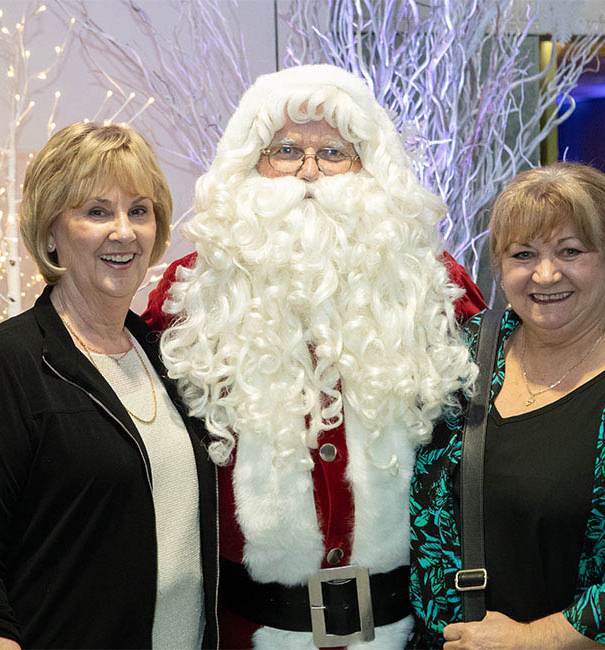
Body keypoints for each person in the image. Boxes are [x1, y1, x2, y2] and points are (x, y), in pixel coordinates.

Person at [143, 64, 486, 649]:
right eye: (284, 150)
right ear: (249, 164)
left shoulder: (434, 287)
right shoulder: (190, 293)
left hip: (405, 628)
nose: (308, 171)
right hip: (248, 630)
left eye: (333, 151)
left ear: (370, 166)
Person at [410, 162, 605, 649]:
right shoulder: (465, 356)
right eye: (523, 254)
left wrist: (533, 639)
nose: (545, 273)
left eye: (570, 251)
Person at [0, 122, 218, 649]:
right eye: (96, 211)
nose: (124, 232)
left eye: (139, 210)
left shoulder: (167, 358)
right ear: (49, 231)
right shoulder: (10, 364)